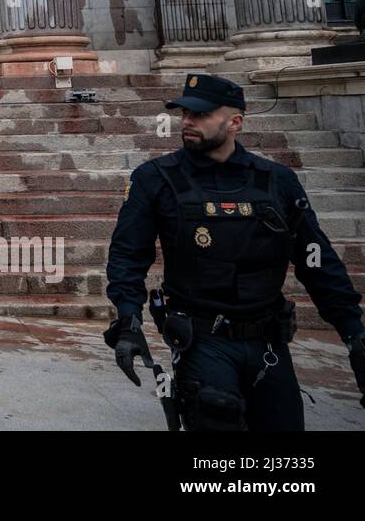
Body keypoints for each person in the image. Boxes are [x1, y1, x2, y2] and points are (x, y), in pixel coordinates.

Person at [104, 73, 365, 430]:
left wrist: (354, 334)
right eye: (184, 114)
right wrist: (129, 322)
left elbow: (315, 259)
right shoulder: (155, 179)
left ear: (235, 122)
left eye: (201, 115)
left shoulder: (276, 180)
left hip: (268, 343)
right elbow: (128, 256)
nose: (188, 122)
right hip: (203, 341)